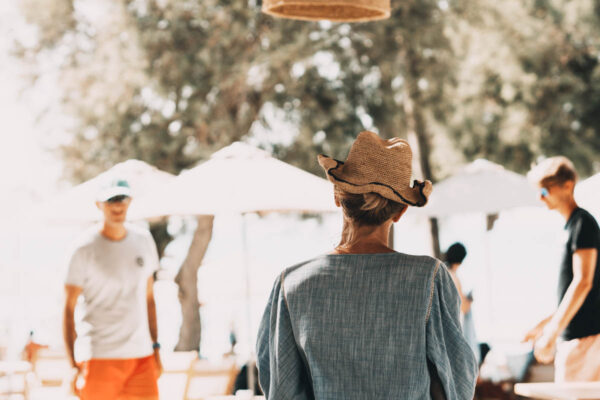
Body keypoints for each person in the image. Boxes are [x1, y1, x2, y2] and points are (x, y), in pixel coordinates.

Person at [256, 131, 478, 399]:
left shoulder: (290, 284)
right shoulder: (428, 279)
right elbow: (454, 384)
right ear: (401, 211)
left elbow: (281, 390)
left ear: (338, 196)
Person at [63, 178, 162, 399]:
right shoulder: (83, 249)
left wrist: (156, 349)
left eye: (122, 199)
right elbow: (68, 310)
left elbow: (149, 300)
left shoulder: (144, 241)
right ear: (98, 204)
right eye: (110, 200)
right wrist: (72, 364)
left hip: (141, 358)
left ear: (130, 201)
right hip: (99, 357)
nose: (117, 205)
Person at [524, 156, 600, 382]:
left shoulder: (582, 224)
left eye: (545, 191)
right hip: (579, 338)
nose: (540, 197)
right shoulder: (573, 226)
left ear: (567, 186)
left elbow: (583, 282)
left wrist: (552, 333)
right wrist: (545, 324)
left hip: (584, 340)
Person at [445, 242, 480, 364]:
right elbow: (463, 307)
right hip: (456, 327)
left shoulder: (441, 273)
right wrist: (470, 299)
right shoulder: (453, 276)